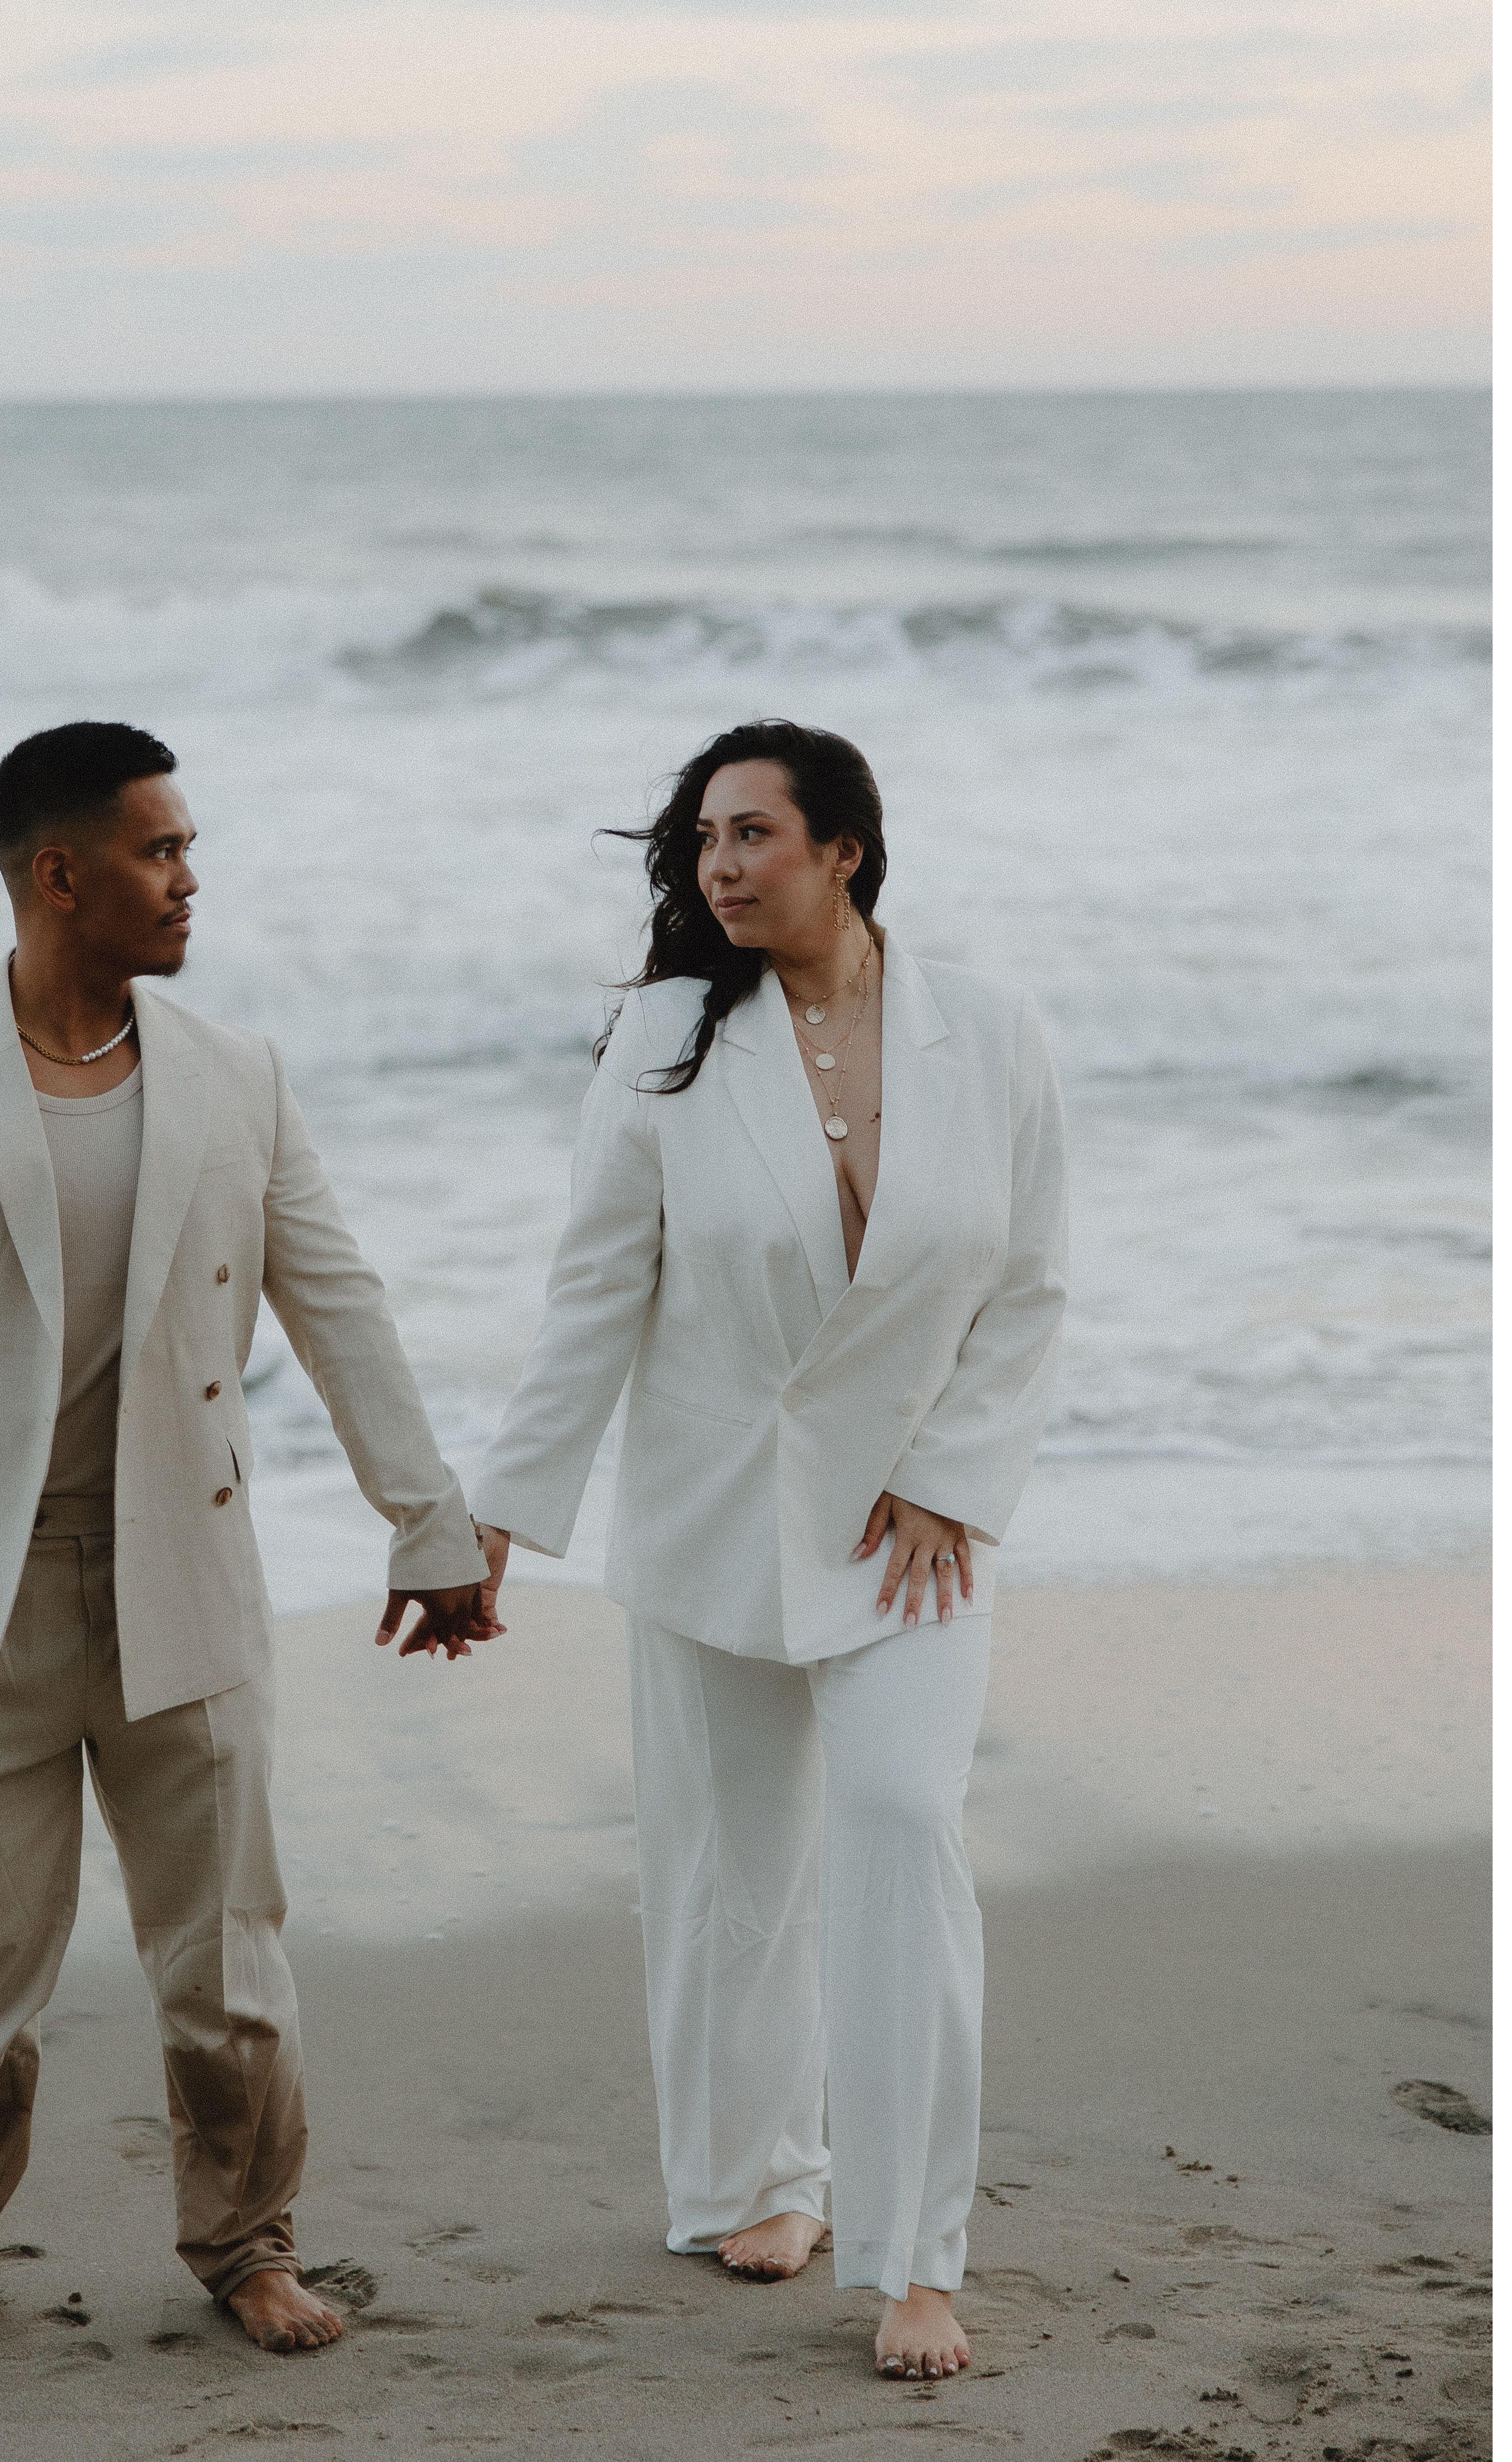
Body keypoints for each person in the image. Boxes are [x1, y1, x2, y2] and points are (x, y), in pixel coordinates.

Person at [0, 720, 496, 2363]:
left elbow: (336, 1301)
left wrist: (427, 1520)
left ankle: (248, 2246)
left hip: (185, 1568)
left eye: (187, 850)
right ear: (59, 874)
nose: (188, 880)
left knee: (227, 1964)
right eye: (159, 851)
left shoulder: (237, 1072)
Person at [470, 718, 1067, 2384]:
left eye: (753, 834)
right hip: (713, 1506)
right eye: (705, 840)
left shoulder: (991, 1034)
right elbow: (597, 1287)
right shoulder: (667, 1037)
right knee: (733, 1870)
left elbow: (1030, 1286)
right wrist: (499, 1515)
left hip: (908, 1532)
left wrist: (956, 1477)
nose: (720, 866)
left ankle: (915, 2256)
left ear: (844, 848)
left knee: (900, 1828)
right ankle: (755, 2181)